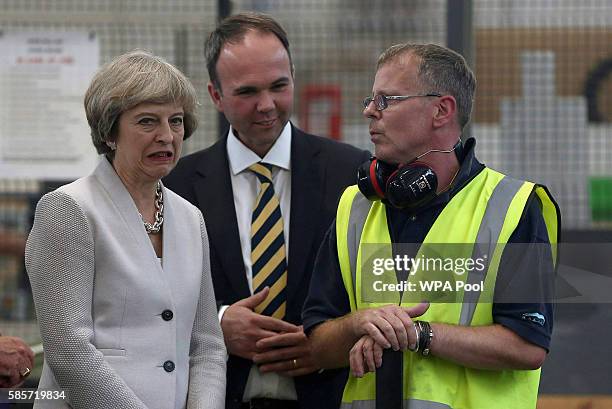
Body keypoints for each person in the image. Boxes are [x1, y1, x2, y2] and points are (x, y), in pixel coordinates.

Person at [302, 43, 560, 409]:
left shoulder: (514, 207)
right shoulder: (355, 207)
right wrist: (359, 323)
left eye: (386, 100)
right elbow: (318, 345)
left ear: (441, 110)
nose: (369, 111)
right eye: (370, 99)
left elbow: (528, 344)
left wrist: (418, 334)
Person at [164, 12, 370, 409]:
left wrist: (329, 341)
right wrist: (219, 323)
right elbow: (155, 300)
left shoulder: (352, 174)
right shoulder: (178, 187)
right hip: (221, 394)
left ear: (293, 75)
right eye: (247, 92)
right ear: (215, 95)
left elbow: (379, 286)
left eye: (279, 86)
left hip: (328, 394)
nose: (266, 105)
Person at [25, 50, 226, 409]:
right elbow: (69, 350)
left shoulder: (190, 218)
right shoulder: (68, 209)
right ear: (110, 131)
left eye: (176, 121)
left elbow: (207, 345)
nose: (166, 136)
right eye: (147, 121)